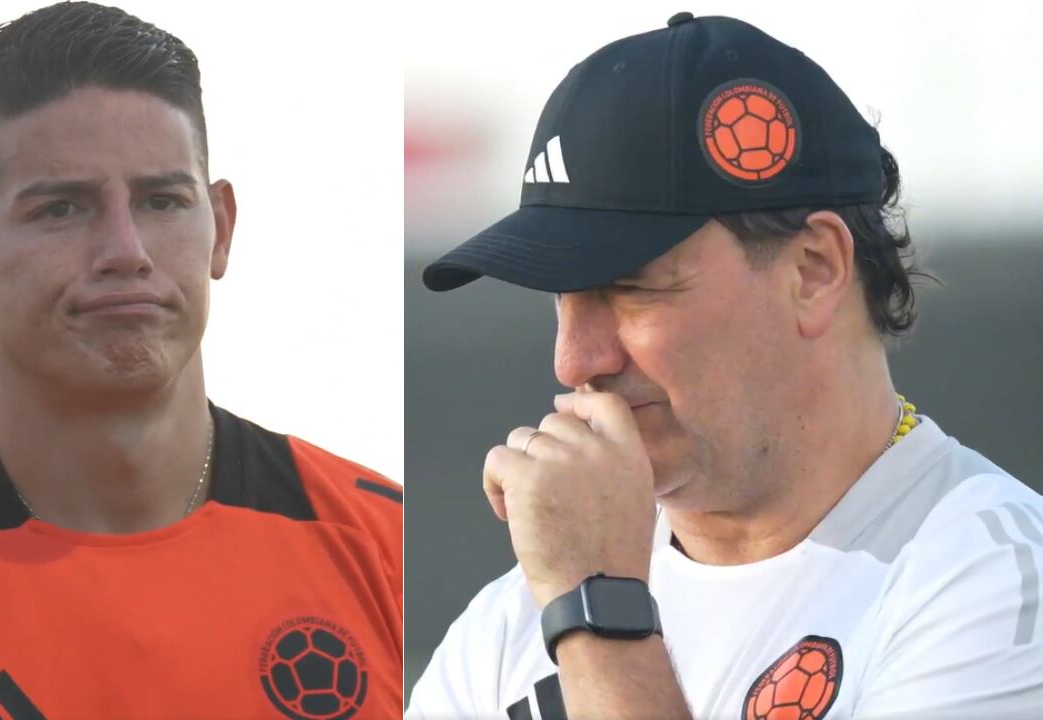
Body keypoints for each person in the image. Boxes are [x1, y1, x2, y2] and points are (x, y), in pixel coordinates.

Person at [0, 3, 401, 718]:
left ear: (220, 228)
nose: (126, 251)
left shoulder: (388, 549)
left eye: (162, 201)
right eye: (61, 209)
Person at [408, 12, 1042, 720]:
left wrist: (598, 612)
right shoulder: (507, 628)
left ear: (813, 270)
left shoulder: (996, 583)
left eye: (630, 287)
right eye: (563, 297)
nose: (575, 360)